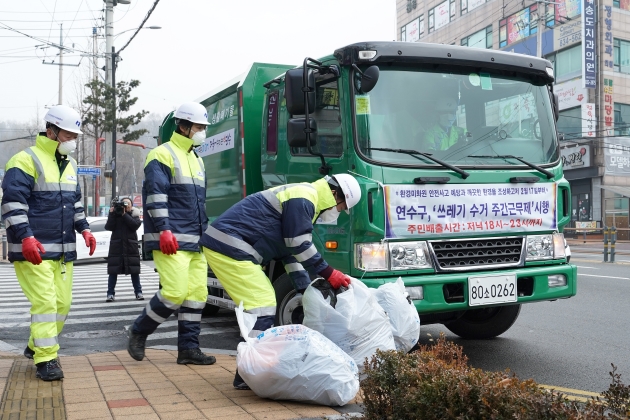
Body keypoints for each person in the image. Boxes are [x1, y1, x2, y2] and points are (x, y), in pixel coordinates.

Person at [199, 173, 362, 390]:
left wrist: (305, 289)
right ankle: (247, 373)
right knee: (262, 306)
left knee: (261, 305)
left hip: (230, 246)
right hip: (230, 247)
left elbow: (288, 252)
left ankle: (250, 369)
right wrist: (329, 273)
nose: (338, 212)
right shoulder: (305, 198)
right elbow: (298, 243)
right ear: (334, 194)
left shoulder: (306, 199)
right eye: (341, 207)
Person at [0, 104, 96, 381]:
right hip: (32, 249)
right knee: (45, 303)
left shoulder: (71, 165)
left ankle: (34, 346)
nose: (72, 141)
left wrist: (85, 229)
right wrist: (26, 237)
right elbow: (13, 204)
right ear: (51, 131)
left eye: (74, 136)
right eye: (68, 135)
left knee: (62, 305)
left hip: (62, 250)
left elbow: (74, 203)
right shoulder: (24, 161)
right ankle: (46, 359)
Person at [127, 102, 215, 365]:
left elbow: (199, 203)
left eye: (203, 127)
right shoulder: (161, 155)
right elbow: (156, 196)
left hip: (196, 241)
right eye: (199, 127)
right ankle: (139, 331)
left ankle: (188, 349)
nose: (202, 132)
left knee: (197, 296)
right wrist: (164, 229)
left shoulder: (196, 158)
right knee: (175, 292)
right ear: (184, 127)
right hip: (171, 240)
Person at [105, 197, 143, 302]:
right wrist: (112, 214)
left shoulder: (134, 215)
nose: (126, 205)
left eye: (128, 203)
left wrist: (124, 214)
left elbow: (135, 225)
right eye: (124, 203)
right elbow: (108, 227)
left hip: (131, 247)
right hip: (116, 247)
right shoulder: (116, 214)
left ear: (131, 205)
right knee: (113, 271)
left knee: (134, 271)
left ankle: (138, 292)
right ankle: (110, 294)